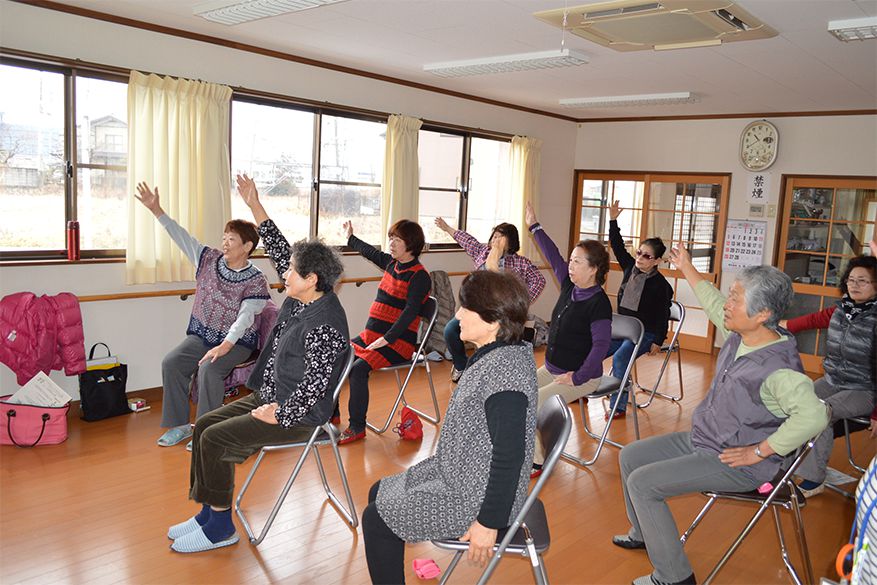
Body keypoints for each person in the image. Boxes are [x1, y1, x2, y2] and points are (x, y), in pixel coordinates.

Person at [615, 244, 829, 585]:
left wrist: (760, 451)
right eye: (731, 295)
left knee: (643, 483)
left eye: (736, 299)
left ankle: (674, 577)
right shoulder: (742, 333)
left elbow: (815, 416)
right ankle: (645, 532)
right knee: (630, 456)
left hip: (736, 461)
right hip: (707, 438)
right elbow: (713, 301)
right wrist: (686, 265)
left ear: (763, 314)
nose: (727, 305)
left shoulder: (778, 369)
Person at [165, 174, 349, 553]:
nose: (284, 271)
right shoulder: (305, 296)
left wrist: (280, 413)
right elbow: (282, 248)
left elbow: (317, 386)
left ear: (311, 279)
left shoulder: (325, 324)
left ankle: (220, 527)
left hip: (297, 414)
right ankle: (208, 514)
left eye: (292, 270)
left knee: (215, 438)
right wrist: (254, 205)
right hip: (272, 394)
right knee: (205, 426)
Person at [362, 270, 537, 584]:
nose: (457, 315)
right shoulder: (497, 354)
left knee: (375, 520)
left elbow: (511, 456)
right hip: (457, 472)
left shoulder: (506, 377)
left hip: (475, 498)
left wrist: (488, 523)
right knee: (378, 493)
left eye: (465, 309)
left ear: (494, 321)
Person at [135, 182, 270, 448]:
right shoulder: (207, 258)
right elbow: (180, 235)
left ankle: (206, 431)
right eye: (224, 237)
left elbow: (244, 319)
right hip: (202, 336)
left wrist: (224, 346)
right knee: (172, 363)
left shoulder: (256, 280)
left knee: (209, 369)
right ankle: (181, 425)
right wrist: (156, 210)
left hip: (237, 343)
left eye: (231, 239)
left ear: (247, 246)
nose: (224, 243)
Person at [780, 244, 877, 497]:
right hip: (834, 380)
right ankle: (785, 464)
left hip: (865, 390)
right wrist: (779, 325)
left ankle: (814, 479)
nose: (854, 286)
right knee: (795, 402)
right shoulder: (842, 310)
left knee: (820, 412)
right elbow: (812, 320)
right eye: (851, 280)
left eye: (863, 281)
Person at [525, 202, 612, 477]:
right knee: (518, 393)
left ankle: (538, 460)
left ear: (594, 269)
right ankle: (523, 449)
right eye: (571, 260)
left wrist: (576, 377)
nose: (570, 265)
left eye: (577, 262)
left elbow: (600, 348)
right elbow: (552, 255)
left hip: (582, 377)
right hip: (552, 369)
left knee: (534, 403)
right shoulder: (568, 285)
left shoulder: (599, 304)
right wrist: (534, 226)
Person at [338, 219, 432, 444]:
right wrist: (350, 237)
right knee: (338, 354)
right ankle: (331, 415)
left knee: (358, 370)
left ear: (411, 244)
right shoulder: (392, 264)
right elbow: (369, 251)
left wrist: (386, 339)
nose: (391, 243)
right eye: (391, 238)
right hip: (372, 337)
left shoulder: (420, 276)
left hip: (398, 343)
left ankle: (357, 427)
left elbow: (409, 313)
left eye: (397, 240)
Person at [434, 217, 546, 382]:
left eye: (501, 237)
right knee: (450, 331)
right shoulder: (482, 252)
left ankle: (488, 375)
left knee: (494, 347)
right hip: (474, 308)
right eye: (494, 236)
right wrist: (447, 228)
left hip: (500, 314)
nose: (496, 240)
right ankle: (461, 366)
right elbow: (466, 240)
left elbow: (539, 280)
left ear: (511, 241)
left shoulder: (521, 262)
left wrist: (521, 302)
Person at [604, 199, 673, 420]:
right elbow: (616, 244)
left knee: (621, 358)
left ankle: (619, 406)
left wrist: (658, 340)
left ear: (657, 261)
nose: (640, 258)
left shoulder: (661, 286)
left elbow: (662, 314)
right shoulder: (629, 268)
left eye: (646, 256)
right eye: (639, 253)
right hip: (622, 329)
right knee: (592, 348)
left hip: (645, 333)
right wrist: (613, 220)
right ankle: (584, 389)